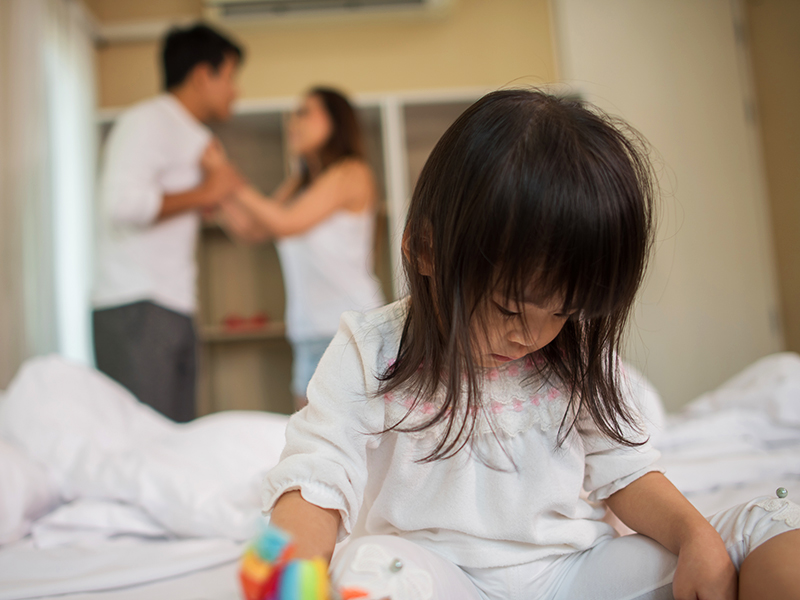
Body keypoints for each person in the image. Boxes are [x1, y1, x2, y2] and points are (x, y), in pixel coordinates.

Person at [261, 90, 800, 599]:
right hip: (440, 576)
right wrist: (289, 576)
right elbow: (315, 479)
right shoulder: (370, 349)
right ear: (425, 249)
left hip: (569, 572)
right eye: (509, 308)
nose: (532, 335)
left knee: (764, 529)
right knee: (368, 567)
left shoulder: (576, 355)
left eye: (563, 312)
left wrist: (693, 536)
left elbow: (626, 471)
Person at [92, 24, 244, 422]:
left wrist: (208, 195)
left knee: (174, 443)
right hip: (136, 302)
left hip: (176, 304)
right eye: (230, 77)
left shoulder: (197, 137)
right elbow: (121, 205)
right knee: (145, 441)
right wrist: (205, 194)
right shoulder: (147, 121)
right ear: (202, 75)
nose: (236, 91)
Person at [217, 87, 385, 410]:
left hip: (351, 328)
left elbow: (285, 223)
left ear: (335, 121)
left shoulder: (352, 173)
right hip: (308, 331)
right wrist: (217, 195)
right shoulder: (299, 183)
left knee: (351, 436)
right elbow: (253, 229)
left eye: (305, 112)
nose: (294, 122)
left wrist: (230, 180)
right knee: (306, 436)